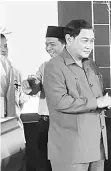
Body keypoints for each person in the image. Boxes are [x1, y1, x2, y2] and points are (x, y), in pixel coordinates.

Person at [43, 19, 111, 171]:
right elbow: (60, 102)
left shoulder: (90, 65)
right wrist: (97, 103)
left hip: (97, 146)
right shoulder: (54, 66)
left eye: (92, 41)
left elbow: (95, 98)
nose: (89, 46)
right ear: (69, 39)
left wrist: (106, 103)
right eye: (85, 40)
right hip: (71, 150)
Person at [21, 26, 65, 171]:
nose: (48, 48)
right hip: (45, 123)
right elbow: (35, 86)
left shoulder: (78, 66)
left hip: (67, 123)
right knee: (45, 163)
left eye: (52, 44)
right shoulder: (45, 67)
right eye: (46, 44)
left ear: (65, 43)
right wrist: (29, 85)